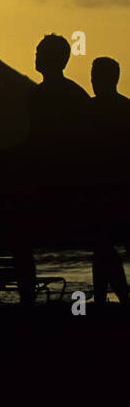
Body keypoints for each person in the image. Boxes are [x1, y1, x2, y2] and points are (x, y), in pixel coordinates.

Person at [19, 34, 91, 306]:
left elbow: (38, 142)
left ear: (53, 58)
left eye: (39, 52)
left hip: (54, 189)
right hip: (75, 187)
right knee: (102, 245)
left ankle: (27, 302)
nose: (35, 55)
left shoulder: (41, 95)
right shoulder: (76, 93)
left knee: (20, 238)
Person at [87, 56, 130, 304]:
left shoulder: (88, 110)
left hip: (99, 188)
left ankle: (108, 297)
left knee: (102, 247)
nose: (93, 81)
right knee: (105, 248)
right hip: (120, 186)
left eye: (95, 76)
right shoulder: (126, 108)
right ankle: (113, 296)